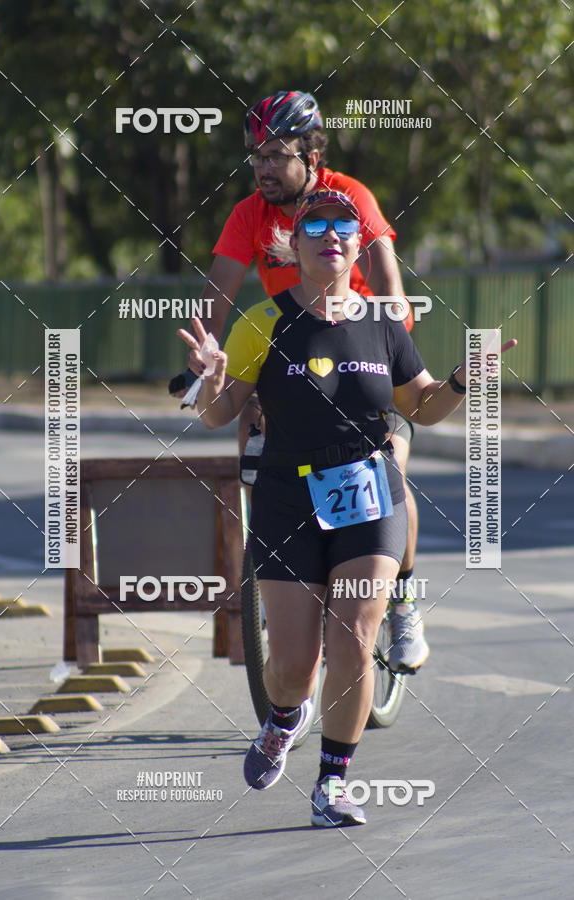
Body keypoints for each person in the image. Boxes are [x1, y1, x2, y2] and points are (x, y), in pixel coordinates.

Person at [179, 188, 516, 827]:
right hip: (285, 497)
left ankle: (332, 783)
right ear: (293, 246)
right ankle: (284, 718)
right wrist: (211, 379)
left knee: (356, 641)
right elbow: (218, 416)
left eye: (345, 226)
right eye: (317, 227)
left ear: (358, 244)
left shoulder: (385, 323)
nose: (331, 235)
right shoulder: (264, 321)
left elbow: (419, 407)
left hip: (368, 494)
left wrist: (465, 381)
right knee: (293, 667)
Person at [175, 90, 427, 672]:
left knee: (389, 468)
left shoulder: (349, 198)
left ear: (312, 155)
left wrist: (391, 349)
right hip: (292, 350)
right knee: (249, 428)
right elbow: (219, 288)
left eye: (276, 156)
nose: (263, 168)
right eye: (256, 157)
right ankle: (281, 571)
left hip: (364, 350)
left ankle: (405, 599)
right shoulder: (249, 214)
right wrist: (207, 355)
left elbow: (389, 283)